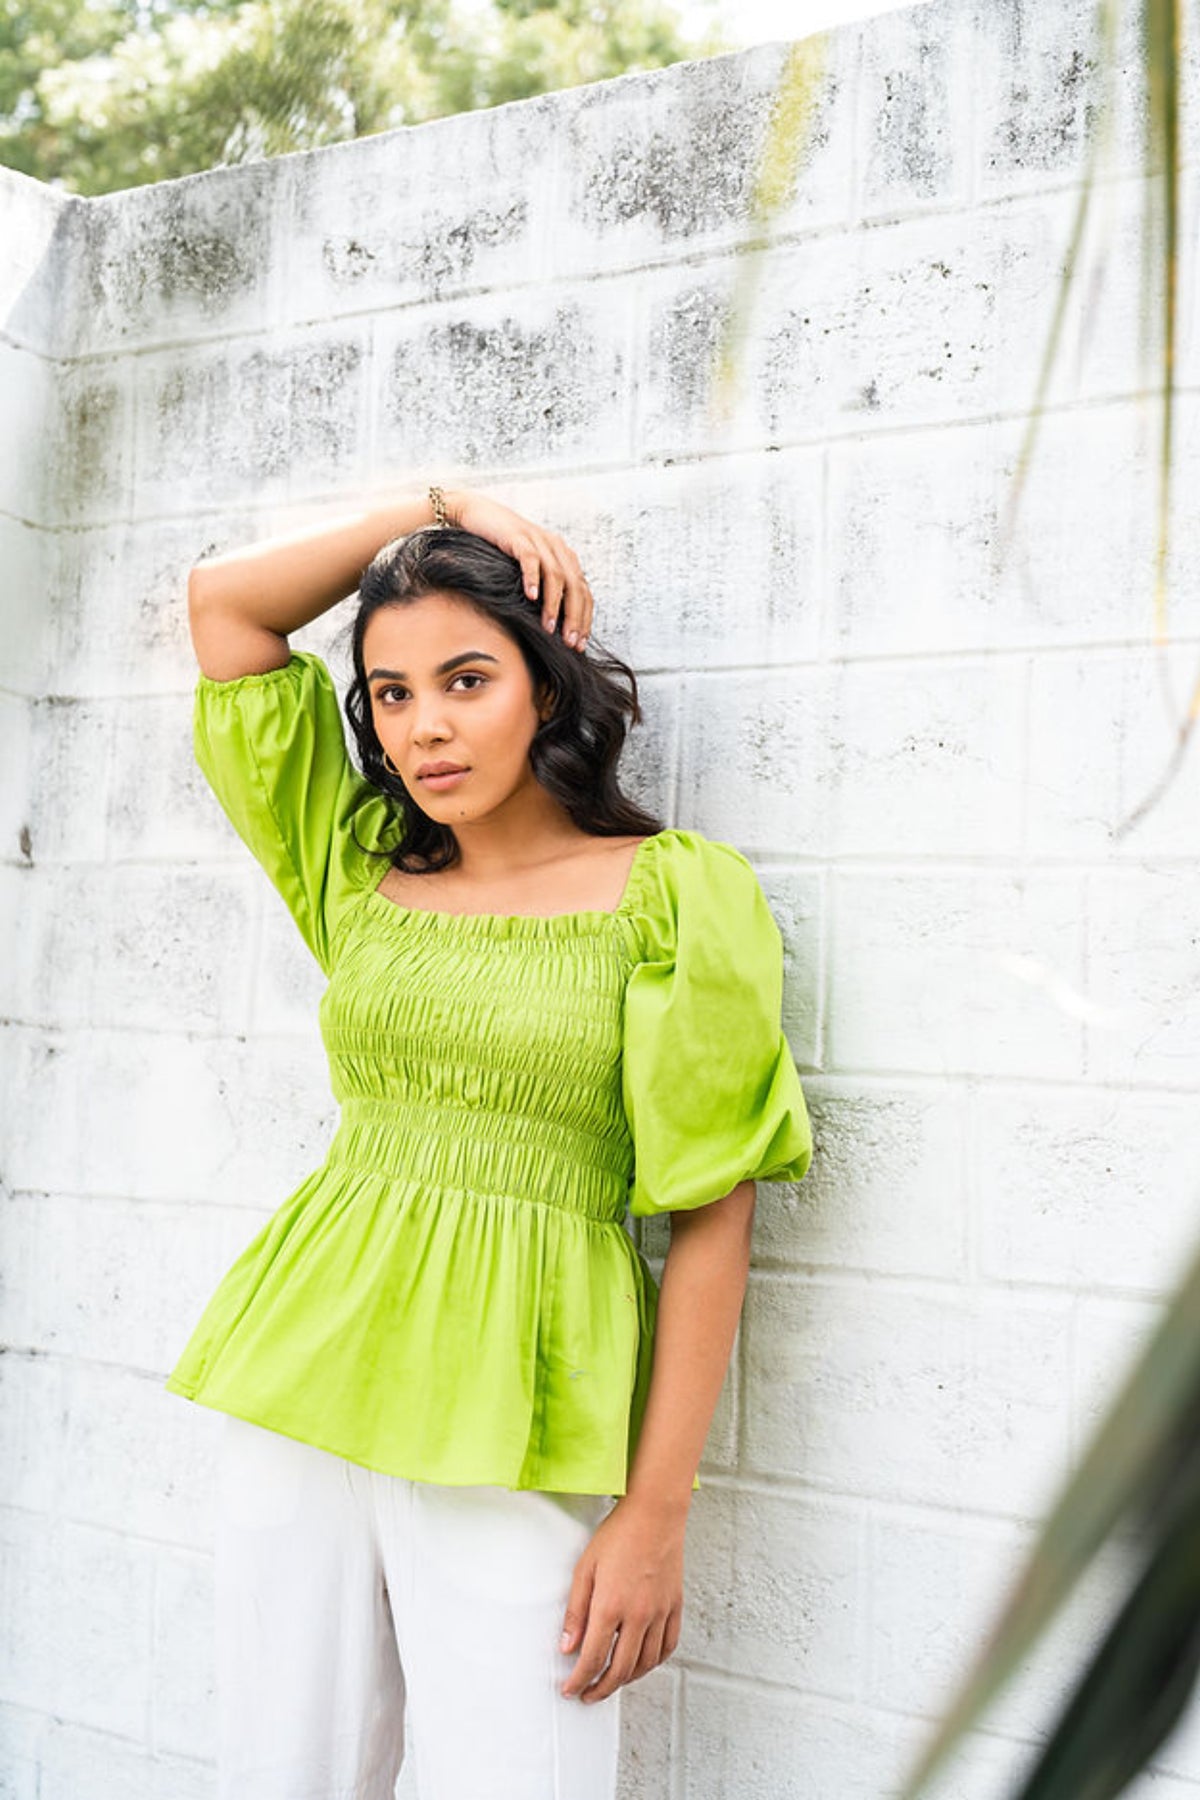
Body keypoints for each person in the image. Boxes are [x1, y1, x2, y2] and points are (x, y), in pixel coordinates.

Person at [164, 482, 813, 1800]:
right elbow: (227, 612)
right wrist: (432, 505)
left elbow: (712, 1211)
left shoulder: (681, 895)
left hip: (523, 1419)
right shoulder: (353, 863)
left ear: (550, 687)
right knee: (280, 1774)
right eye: (392, 695)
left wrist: (654, 1516)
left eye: (466, 678)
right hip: (299, 1395)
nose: (426, 727)